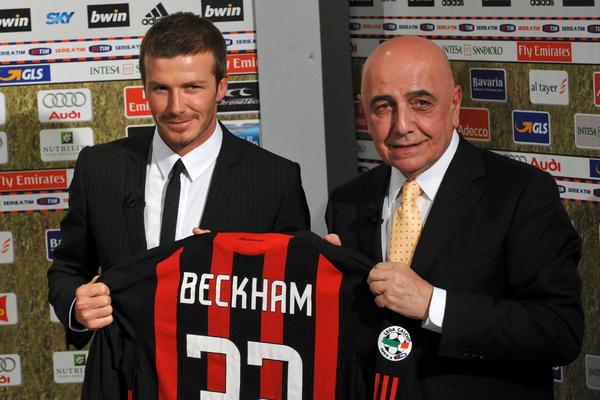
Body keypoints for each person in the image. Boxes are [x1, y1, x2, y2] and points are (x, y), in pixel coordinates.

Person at [325, 36, 583, 398]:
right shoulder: (348, 200)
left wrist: (433, 304)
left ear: (455, 104)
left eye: (421, 103)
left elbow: (558, 330)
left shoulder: (521, 192)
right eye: (383, 106)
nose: (402, 125)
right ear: (364, 113)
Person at [48, 12, 310, 349]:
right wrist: (77, 307)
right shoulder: (98, 168)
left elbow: (293, 294)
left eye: (192, 88)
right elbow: (68, 268)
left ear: (221, 87)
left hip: (225, 370)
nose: (176, 107)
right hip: (122, 371)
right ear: (144, 88)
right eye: (161, 89)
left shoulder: (275, 180)